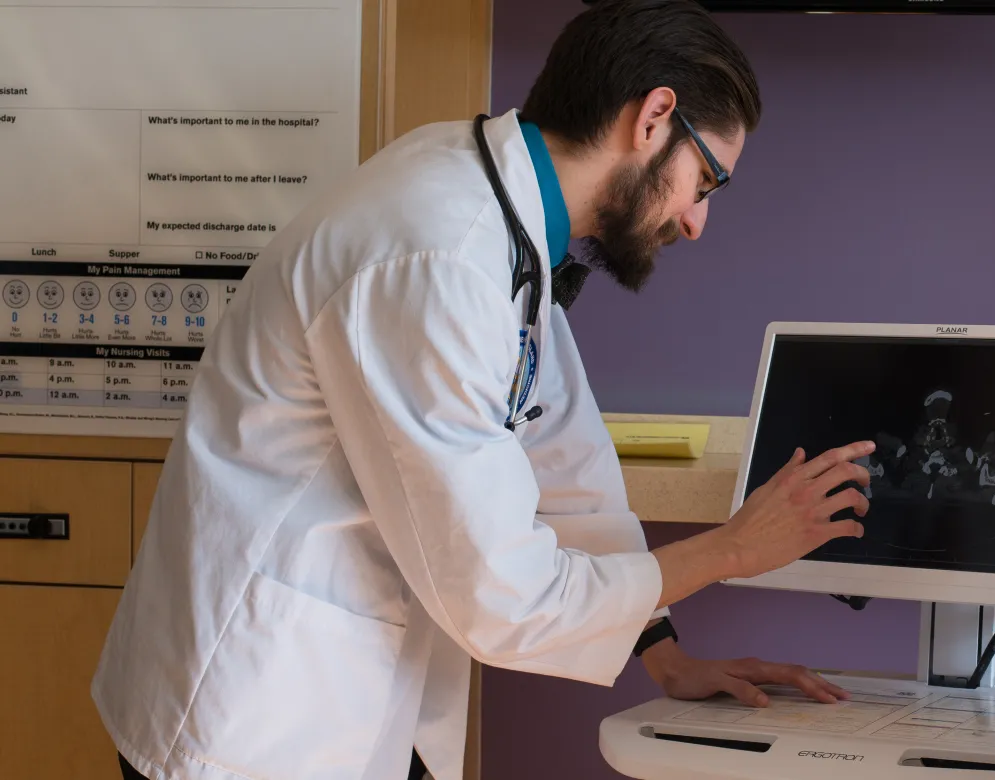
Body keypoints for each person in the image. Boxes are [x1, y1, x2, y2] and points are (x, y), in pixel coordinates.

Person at [91, 2, 875, 779]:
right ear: (653, 118)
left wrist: (662, 654)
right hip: (257, 715)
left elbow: (567, 464)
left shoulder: (506, 217)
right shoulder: (438, 255)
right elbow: (504, 596)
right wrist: (732, 549)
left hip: (343, 688)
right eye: (704, 179)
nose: (696, 220)